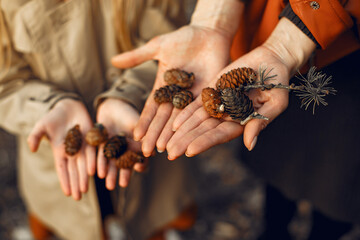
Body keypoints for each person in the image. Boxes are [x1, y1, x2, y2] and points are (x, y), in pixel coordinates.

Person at [113, 0, 360, 239]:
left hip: (345, 53)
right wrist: (215, 16)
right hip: (267, 44)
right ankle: (274, 229)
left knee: (335, 177)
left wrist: (291, 39)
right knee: (278, 160)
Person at [0, 0, 198, 239]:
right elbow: (6, 81)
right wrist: (47, 106)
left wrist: (129, 95)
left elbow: (171, 46)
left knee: (155, 219)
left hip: (140, 138)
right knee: (58, 222)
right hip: (55, 161)